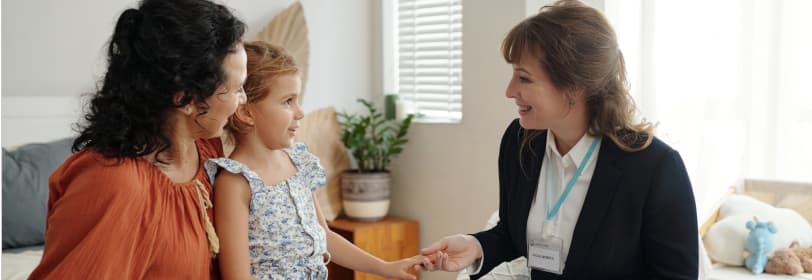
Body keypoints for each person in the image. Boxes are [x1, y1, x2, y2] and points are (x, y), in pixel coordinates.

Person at [416, 0, 698, 279]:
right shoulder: (519, 141)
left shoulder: (655, 167)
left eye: (524, 78)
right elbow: (512, 233)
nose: (509, 91)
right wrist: (476, 246)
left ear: (574, 86)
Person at [29, 0, 247, 278]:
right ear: (186, 99)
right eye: (237, 89)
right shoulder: (114, 184)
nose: (243, 100)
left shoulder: (209, 151)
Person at [206, 41, 424, 280]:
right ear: (246, 112)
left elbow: (324, 236)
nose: (300, 112)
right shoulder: (235, 183)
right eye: (288, 101)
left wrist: (384, 267)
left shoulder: (298, 163)